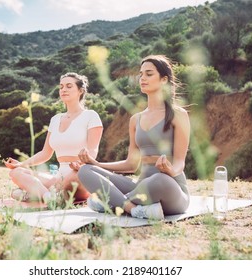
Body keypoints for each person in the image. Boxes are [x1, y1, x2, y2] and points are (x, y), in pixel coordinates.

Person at [77, 55, 190, 220]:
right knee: (85, 171)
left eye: (149, 74)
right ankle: (132, 208)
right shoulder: (135, 119)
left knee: (158, 179)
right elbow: (131, 164)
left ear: (164, 79)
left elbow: (180, 161)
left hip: (170, 188)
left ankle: (111, 202)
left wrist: (170, 170)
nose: (142, 78)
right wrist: (95, 163)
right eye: (141, 74)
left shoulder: (178, 114)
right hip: (140, 188)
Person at [4, 72, 103, 204]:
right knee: (16, 173)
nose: (63, 90)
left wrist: (81, 165)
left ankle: (35, 193)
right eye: (61, 87)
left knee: (18, 193)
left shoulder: (91, 116)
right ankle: (49, 196)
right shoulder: (55, 119)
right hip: (57, 177)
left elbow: (93, 150)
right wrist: (22, 164)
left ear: (80, 90)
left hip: (79, 174)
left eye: (69, 86)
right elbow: (45, 153)